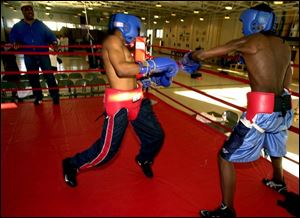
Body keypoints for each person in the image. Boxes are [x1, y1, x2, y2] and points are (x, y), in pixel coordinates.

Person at [180, 3, 293, 218]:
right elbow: (286, 79)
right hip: (284, 109)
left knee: (225, 157)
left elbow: (205, 55)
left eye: (243, 22)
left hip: (262, 112)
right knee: (275, 139)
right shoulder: (285, 46)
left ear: (254, 21)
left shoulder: (249, 41)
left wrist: (190, 58)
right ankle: (278, 180)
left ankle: (227, 209)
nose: (242, 27)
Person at [62, 13, 178, 187]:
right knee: (106, 152)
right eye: (137, 29)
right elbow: (122, 70)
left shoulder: (123, 46)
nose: (138, 33)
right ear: (126, 26)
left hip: (138, 102)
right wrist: (153, 66)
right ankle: (71, 163)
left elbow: (132, 74)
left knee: (156, 136)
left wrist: (151, 78)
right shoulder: (112, 41)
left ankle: (144, 159)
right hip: (119, 106)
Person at [9, 1, 60, 105]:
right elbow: (12, 38)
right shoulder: (17, 26)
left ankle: (55, 96)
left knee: (49, 76)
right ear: (22, 11)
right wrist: (15, 42)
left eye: (30, 9)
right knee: (33, 77)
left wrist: (54, 42)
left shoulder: (40, 24)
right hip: (29, 55)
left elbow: (50, 35)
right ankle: (38, 97)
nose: (29, 11)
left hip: (43, 54)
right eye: (26, 9)